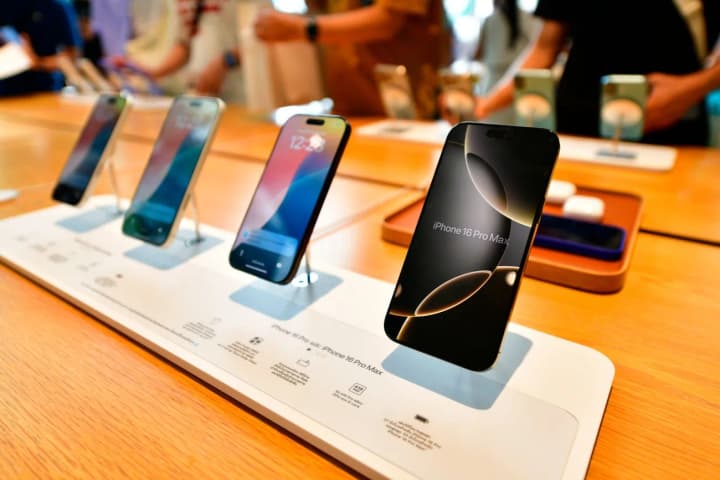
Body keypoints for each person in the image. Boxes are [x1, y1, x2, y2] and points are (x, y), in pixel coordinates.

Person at [471, 0, 720, 145]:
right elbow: (544, 49)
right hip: (579, 132)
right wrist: (484, 106)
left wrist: (693, 88)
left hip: (673, 131)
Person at [253, 0, 451, 119]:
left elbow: (389, 20)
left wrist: (301, 28)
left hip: (402, 112)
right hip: (349, 109)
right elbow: (320, 8)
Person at [0, 0, 82, 96]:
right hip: (6, 86)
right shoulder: (7, 6)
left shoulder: (56, 7)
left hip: (44, 88)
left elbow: (73, 54)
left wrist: (39, 62)